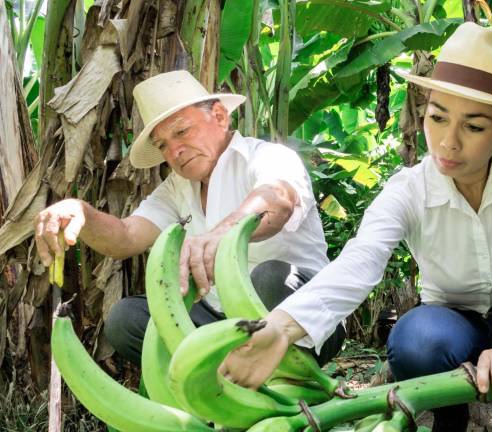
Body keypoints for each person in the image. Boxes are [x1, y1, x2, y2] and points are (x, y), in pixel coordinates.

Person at [219, 22, 492, 432]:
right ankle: (448, 419)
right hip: (453, 323)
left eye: (473, 126)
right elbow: (359, 263)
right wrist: (280, 328)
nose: (447, 142)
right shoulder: (408, 189)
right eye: (437, 117)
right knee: (417, 339)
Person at [34, 70, 344, 366]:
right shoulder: (176, 189)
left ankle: (286, 377)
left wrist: (221, 235)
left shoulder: (268, 157)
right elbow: (126, 237)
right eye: (163, 145)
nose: (175, 151)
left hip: (301, 313)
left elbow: (278, 201)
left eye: (182, 131)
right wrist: (81, 212)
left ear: (220, 117)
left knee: (268, 277)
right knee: (126, 320)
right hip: (223, 322)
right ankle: (222, 387)